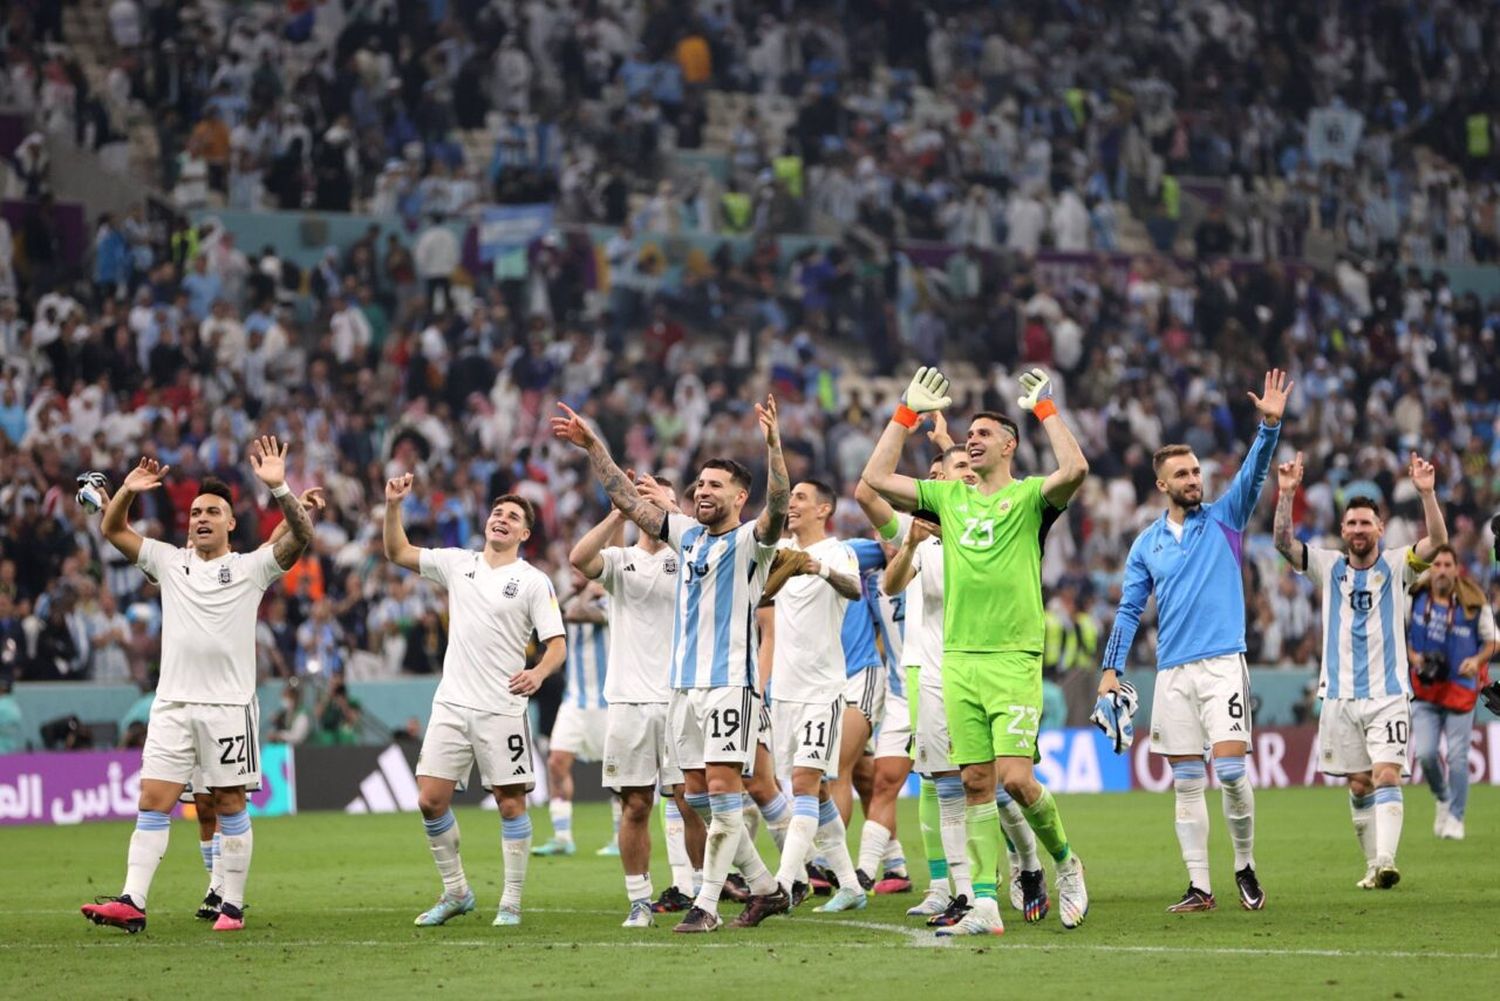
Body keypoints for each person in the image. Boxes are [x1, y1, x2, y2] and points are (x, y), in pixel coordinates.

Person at [862, 367, 1089, 937]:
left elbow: (1076, 469)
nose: (972, 439)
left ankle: (1065, 861)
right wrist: (904, 413)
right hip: (958, 659)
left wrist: (1046, 411)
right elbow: (874, 476)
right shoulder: (945, 498)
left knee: (1016, 779)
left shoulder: (1031, 497)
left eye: (984, 434)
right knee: (974, 784)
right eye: (970, 435)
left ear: (1009, 446)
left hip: (1012, 658)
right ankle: (984, 904)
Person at [552, 396, 789, 933]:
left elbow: (779, 501)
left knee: (724, 792)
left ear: (739, 497)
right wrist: (593, 446)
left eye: (715, 486)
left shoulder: (754, 542)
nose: (703, 491)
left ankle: (704, 905)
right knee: (701, 800)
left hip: (730, 684)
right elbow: (624, 497)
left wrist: (773, 445)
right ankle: (768, 889)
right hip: (681, 687)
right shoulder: (685, 537)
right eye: (699, 485)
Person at [80, 438, 314, 934]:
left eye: (213, 511)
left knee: (228, 804)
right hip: (172, 705)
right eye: (195, 512)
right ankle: (133, 900)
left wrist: (278, 486)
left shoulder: (253, 567)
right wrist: (126, 489)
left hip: (228, 707)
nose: (201, 518)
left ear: (232, 523)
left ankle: (231, 904)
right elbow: (111, 528)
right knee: (152, 800)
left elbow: (301, 533)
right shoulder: (168, 562)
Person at [1101, 370, 1291, 914]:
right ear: (1162, 484)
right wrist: (1111, 669)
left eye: (1195, 471)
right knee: (1186, 782)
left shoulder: (1226, 519)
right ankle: (1200, 887)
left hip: (1222, 665)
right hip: (1172, 673)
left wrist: (1268, 427)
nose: (1193, 478)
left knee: (1230, 772)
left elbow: (1254, 475)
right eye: (1181, 473)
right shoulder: (1146, 545)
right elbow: (1130, 608)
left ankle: (1245, 864)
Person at [383, 475, 566, 928]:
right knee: (430, 799)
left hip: (502, 708)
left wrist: (539, 672)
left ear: (525, 534)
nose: (502, 519)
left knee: (510, 805)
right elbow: (398, 552)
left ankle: (512, 902)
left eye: (514, 517)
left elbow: (557, 644)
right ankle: (457, 891)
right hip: (451, 704)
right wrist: (393, 506)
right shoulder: (456, 563)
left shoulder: (532, 581)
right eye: (498, 513)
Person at [1275, 451, 1446, 886]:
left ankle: (1387, 859)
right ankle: (1373, 866)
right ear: (1342, 530)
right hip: (1339, 697)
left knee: (1386, 772)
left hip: (1389, 694)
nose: (1357, 530)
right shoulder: (1327, 566)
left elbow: (1438, 543)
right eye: (1351, 523)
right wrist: (1286, 493)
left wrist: (1427, 494)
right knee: (1357, 785)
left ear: (1380, 528)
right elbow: (1282, 543)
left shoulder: (1398, 564)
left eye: (1365, 523)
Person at [569, 483, 709, 925]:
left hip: (680, 695)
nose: (647, 503)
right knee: (635, 805)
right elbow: (578, 559)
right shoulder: (619, 560)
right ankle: (640, 902)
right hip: (628, 699)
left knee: (692, 802)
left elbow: (710, 557)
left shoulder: (691, 553)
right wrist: (617, 514)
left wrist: (669, 509)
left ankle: (705, 896)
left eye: (657, 496)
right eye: (639, 496)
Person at [764, 479, 869, 913]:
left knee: (805, 785)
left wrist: (818, 569)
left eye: (801, 498)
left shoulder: (836, 552)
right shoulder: (779, 554)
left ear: (824, 509)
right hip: (784, 691)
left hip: (822, 690)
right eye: (791, 499)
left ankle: (781, 887)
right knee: (815, 792)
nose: (792, 505)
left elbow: (854, 588)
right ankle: (850, 885)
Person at [1407, 546, 1497, 841]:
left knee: (1458, 757)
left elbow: (1493, 641)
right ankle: (1443, 798)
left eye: (1447, 564)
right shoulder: (1415, 597)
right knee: (1426, 754)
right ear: (1430, 568)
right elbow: (1399, 631)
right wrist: (1414, 657)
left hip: (1460, 689)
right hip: (1425, 688)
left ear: (1457, 569)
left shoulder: (1473, 601)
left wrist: (1476, 661)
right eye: (1437, 564)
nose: (1442, 570)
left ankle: (1457, 817)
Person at [534, 575, 615, 858]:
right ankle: (562, 837)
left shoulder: (611, 600)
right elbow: (550, 615)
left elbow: (577, 614)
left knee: (617, 772)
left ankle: (620, 835)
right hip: (574, 701)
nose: (577, 574)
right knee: (556, 763)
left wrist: (590, 592)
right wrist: (573, 589)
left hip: (607, 701)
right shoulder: (573, 598)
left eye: (582, 570)